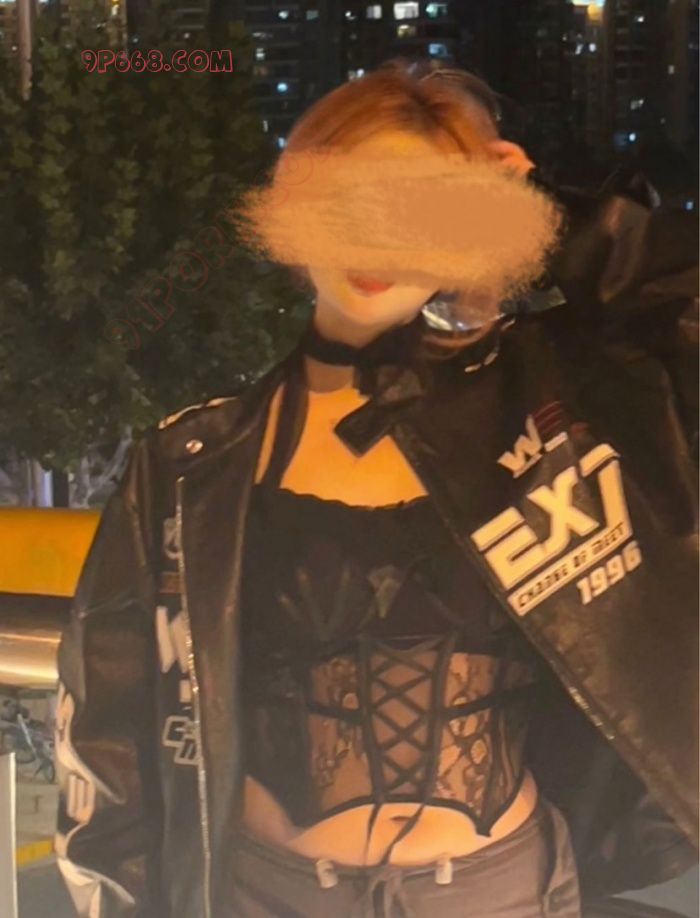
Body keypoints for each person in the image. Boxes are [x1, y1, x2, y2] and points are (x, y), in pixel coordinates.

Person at [54, 59, 698, 918]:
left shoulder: (558, 407)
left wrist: (556, 213)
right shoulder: (189, 462)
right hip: (266, 894)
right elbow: (106, 737)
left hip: (498, 892)